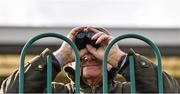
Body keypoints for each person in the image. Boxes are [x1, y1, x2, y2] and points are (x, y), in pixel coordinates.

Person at [1, 27, 180, 93]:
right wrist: (60, 57)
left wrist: (119, 58)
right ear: (70, 63)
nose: (89, 55)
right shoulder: (51, 91)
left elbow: (170, 91)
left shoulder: (130, 91)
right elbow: (10, 92)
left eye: (97, 50)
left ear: (111, 64)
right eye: (79, 50)